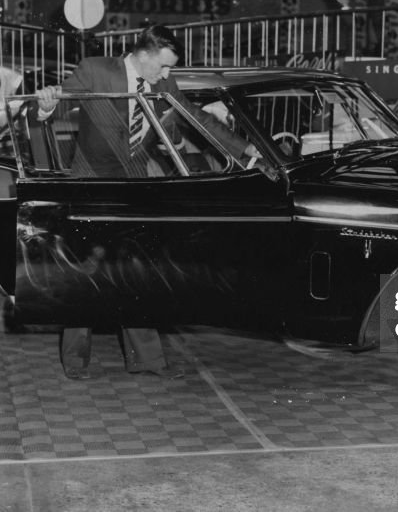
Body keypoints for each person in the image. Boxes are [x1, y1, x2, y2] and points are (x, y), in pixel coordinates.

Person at [35, 25, 258, 380]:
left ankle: (148, 360)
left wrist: (245, 149)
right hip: (91, 184)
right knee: (85, 274)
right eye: (164, 66)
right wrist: (47, 108)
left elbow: (195, 118)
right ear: (144, 55)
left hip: (136, 187)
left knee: (138, 272)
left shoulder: (163, 85)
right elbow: (59, 104)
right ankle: (75, 360)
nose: (167, 75)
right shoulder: (96, 69)